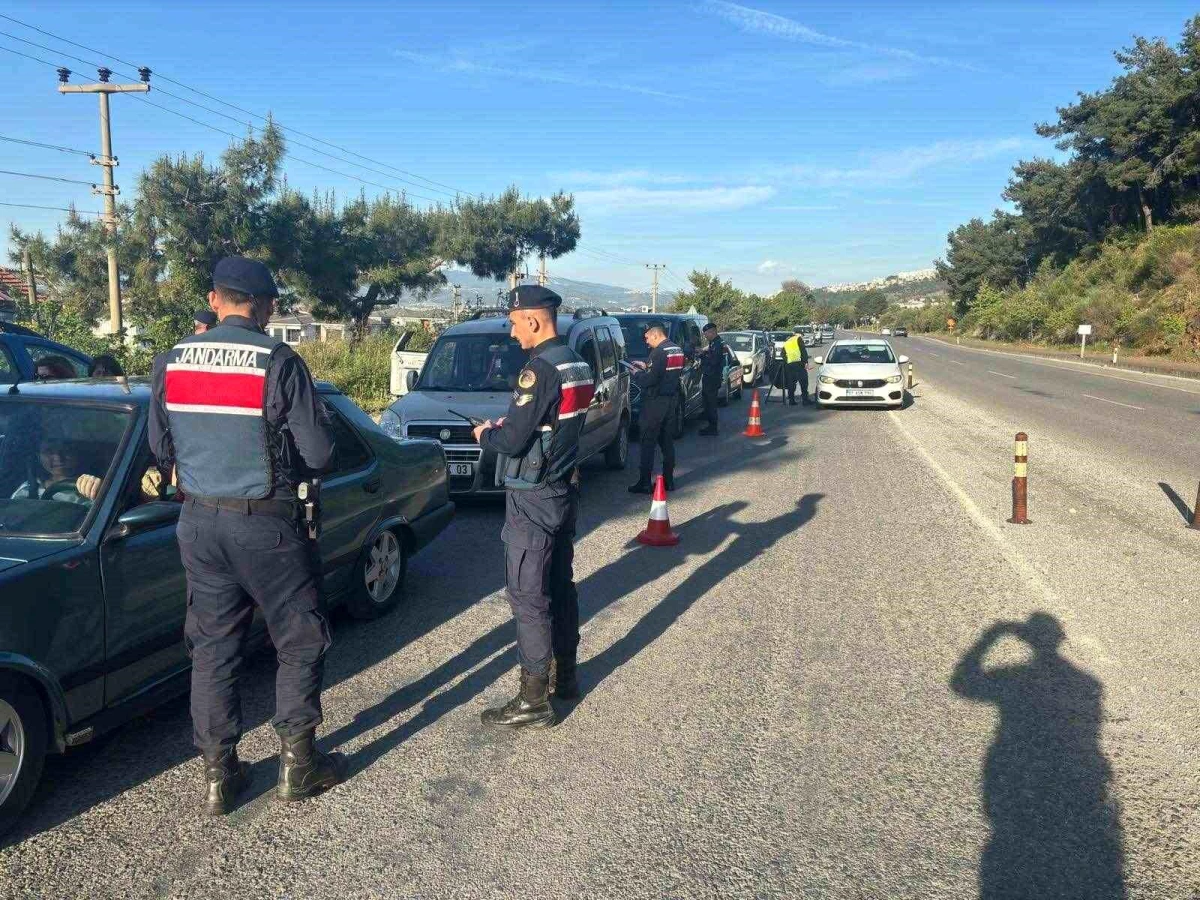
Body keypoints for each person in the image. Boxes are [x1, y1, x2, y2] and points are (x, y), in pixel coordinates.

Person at [149, 256, 342, 815]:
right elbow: (320, 454)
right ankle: (298, 765)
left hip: (197, 524)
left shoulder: (171, 360)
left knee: (212, 649)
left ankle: (219, 774)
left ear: (215, 299)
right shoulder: (278, 361)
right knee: (299, 640)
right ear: (265, 306)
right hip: (266, 525)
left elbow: (160, 449)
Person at [472, 285, 591, 730]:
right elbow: (553, 423)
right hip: (563, 487)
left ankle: (534, 699)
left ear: (534, 320)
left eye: (514, 322)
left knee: (527, 596)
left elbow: (512, 440)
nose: (512, 331)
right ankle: (566, 676)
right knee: (560, 585)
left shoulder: (538, 370)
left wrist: (485, 434)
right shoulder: (576, 363)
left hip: (533, 496)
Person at [628, 323, 683, 493]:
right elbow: (665, 371)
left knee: (647, 441)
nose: (646, 341)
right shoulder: (676, 349)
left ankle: (645, 483)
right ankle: (668, 481)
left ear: (655, 335)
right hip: (671, 401)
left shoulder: (658, 352)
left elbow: (650, 380)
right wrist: (646, 366)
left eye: (647, 337)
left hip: (655, 402)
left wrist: (637, 374)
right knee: (667, 442)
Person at [698, 323, 725, 436]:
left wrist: (702, 355)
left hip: (712, 377)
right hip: (710, 376)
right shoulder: (713, 343)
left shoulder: (717, 344)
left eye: (706, 334)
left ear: (712, 332)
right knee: (708, 401)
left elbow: (713, 361)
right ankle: (710, 424)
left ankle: (713, 427)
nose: (705, 337)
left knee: (711, 403)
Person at [783, 332, 810, 405]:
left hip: (790, 365)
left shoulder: (787, 341)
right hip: (799, 364)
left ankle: (791, 400)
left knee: (791, 383)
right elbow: (803, 352)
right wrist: (805, 362)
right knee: (804, 382)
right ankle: (805, 400)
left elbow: (782, 354)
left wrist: (787, 361)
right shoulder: (799, 339)